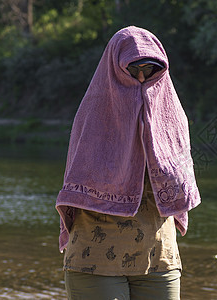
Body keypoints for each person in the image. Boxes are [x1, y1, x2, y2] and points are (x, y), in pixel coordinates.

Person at [55, 26, 201, 300]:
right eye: (133, 70)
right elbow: (78, 184)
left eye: (149, 69)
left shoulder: (173, 116)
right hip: (96, 257)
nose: (142, 77)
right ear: (115, 68)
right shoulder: (94, 113)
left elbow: (181, 181)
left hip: (158, 256)